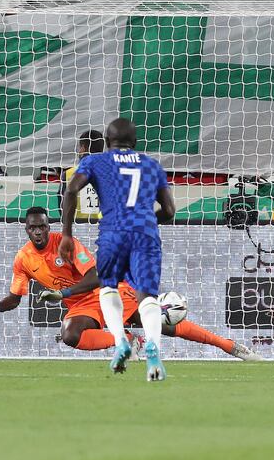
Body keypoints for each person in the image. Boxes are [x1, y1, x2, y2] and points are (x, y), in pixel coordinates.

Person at [0, 207, 262, 361]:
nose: (38, 231)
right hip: (81, 306)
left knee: (164, 324)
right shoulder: (23, 259)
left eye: (42, 226)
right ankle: (127, 340)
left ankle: (230, 346)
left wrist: (62, 293)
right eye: (32, 228)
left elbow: (97, 275)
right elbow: (16, 297)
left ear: (48, 226)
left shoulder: (66, 244)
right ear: (26, 229)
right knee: (69, 335)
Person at [60, 118, 176, 381]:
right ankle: (154, 354)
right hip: (145, 235)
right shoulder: (151, 165)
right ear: (135, 143)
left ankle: (120, 342)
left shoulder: (95, 161)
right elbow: (169, 211)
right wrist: (144, 221)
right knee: (147, 297)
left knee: (108, 288)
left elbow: (71, 189)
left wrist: (67, 233)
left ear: (107, 143)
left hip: (112, 234)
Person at [59, 130, 105, 221]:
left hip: (76, 229)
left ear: (83, 148)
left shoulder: (68, 174)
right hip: (104, 227)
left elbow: (62, 208)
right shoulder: (111, 173)